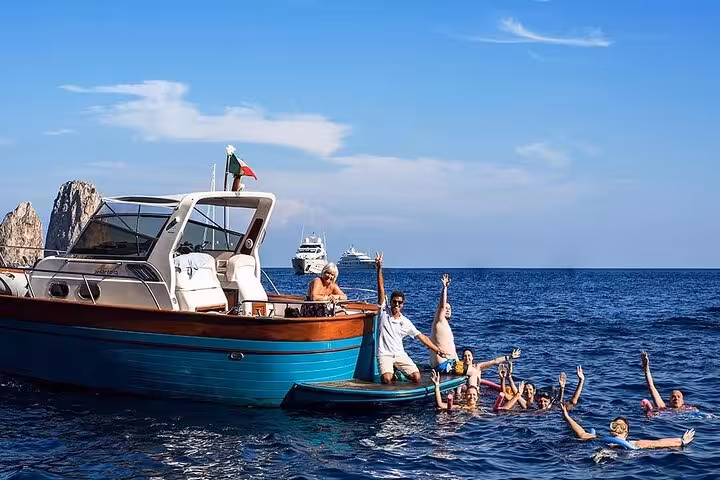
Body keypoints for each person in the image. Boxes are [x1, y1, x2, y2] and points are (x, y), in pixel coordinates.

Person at [375, 252, 449, 384]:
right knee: (386, 379)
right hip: (384, 354)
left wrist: (438, 350)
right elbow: (381, 289)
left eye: (399, 302)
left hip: (399, 354)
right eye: (394, 301)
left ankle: (397, 371)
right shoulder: (383, 311)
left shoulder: (405, 322)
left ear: (402, 304)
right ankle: (393, 373)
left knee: (416, 377)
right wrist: (379, 268)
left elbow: (422, 337)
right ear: (390, 302)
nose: (396, 304)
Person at [560, 403, 696, 449]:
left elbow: (658, 443)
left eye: (622, 427)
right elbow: (582, 433)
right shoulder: (599, 439)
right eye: (615, 426)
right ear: (611, 429)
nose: (618, 429)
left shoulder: (634, 443)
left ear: (626, 433)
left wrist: (681, 441)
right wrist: (567, 416)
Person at [429, 274, 458, 369]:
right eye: (446, 308)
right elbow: (442, 305)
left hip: (451, 363)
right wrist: (445, 288)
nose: (448, 310)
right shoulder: (439, 320)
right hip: (443, 364)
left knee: (473, 368)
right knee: (475, 371)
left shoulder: (446, 325)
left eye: (449, 308)